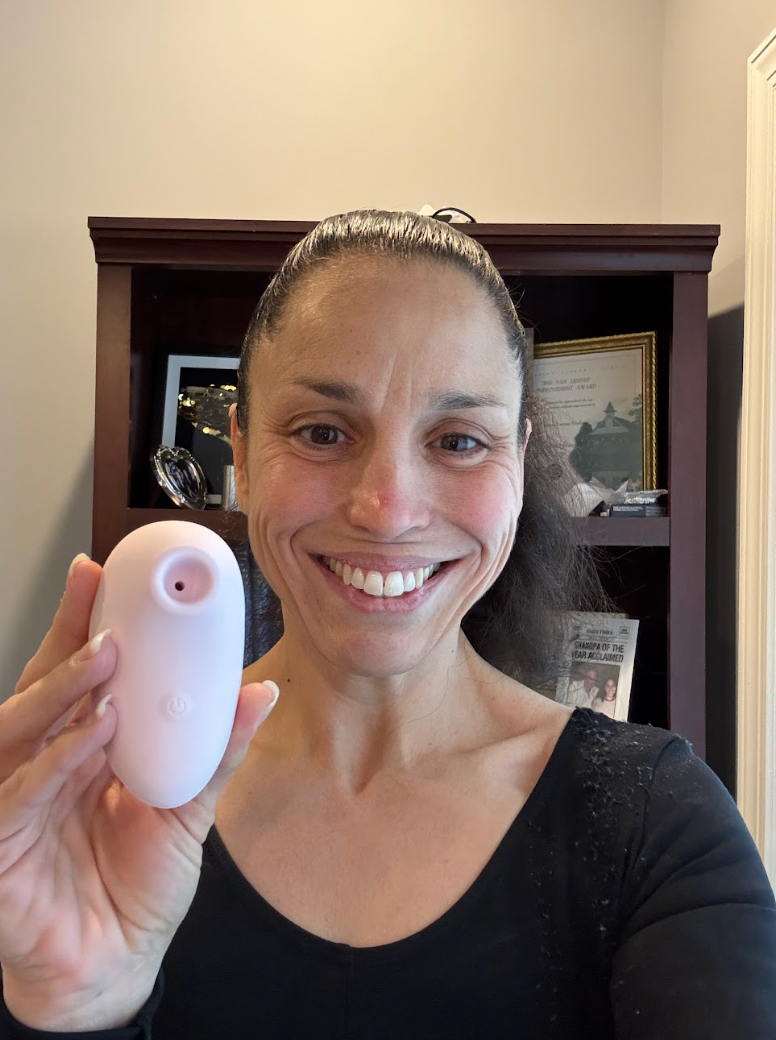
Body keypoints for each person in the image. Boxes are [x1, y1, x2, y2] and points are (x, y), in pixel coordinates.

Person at [1, 210, 775, 1039]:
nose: (388, 510)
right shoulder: (96, 810)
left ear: (518, 462)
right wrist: (71, 1003)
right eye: (323, 432)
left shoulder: (655, 822)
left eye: (458, 440)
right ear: (242, 453)